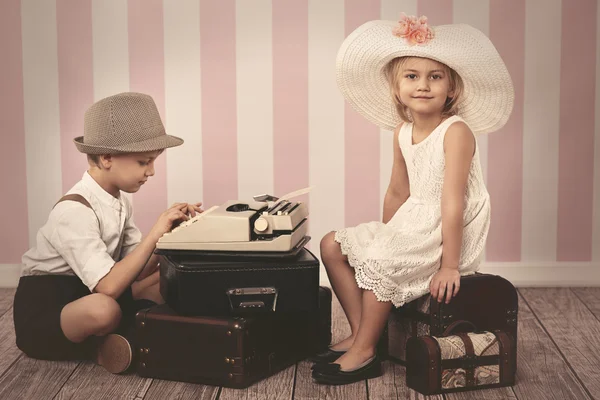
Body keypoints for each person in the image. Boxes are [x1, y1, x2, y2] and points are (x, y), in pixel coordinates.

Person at [311, 14, 514, 384]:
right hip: (413, 220)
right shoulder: (403, 132)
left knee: (380, 261)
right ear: (397, 87)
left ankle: (366, 353)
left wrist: (450, 265)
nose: (423, 85)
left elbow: (453, 202)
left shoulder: (456, 132)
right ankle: (363, 334)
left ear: (451, 88)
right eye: (412, 76)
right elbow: (398, 192)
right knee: (332, 245)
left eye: (435, 77)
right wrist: (387, 235)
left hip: (448, 229)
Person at [13, 92, 201, 374]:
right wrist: (154, 233)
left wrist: (167, 237)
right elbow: (109, 287)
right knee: (104, 310)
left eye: (152, 162)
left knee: (161, 279)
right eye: (143, 162)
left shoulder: (119, 200)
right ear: (107, 157)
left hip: (88, 291)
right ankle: (99, 347)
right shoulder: (73, 210)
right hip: (50, 311)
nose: (151, 172)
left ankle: (122, 334)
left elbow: (136, 268)